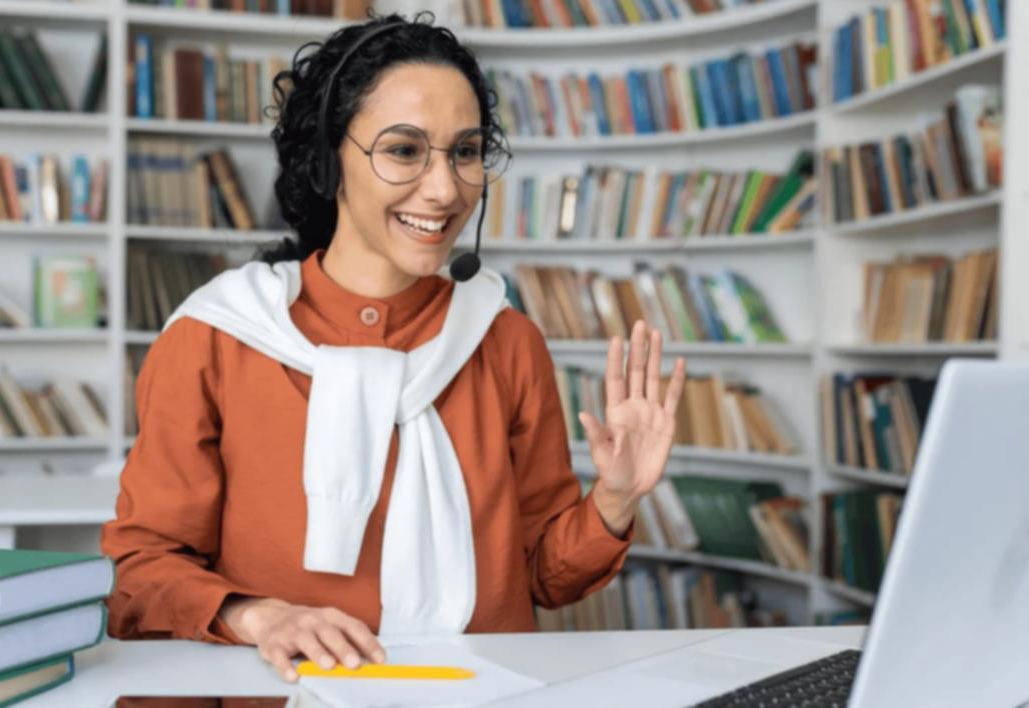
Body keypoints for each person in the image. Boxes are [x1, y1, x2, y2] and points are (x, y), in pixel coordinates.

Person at [99, 11, 688, 685]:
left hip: (484, 697)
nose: (444, 190)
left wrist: (615, 499)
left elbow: (542, 578)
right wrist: (257, 615)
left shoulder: (504, 338)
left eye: (465, 152)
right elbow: (141, 569)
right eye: (404, 150)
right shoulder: (216, 337)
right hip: (279, 693)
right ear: (329, 158)